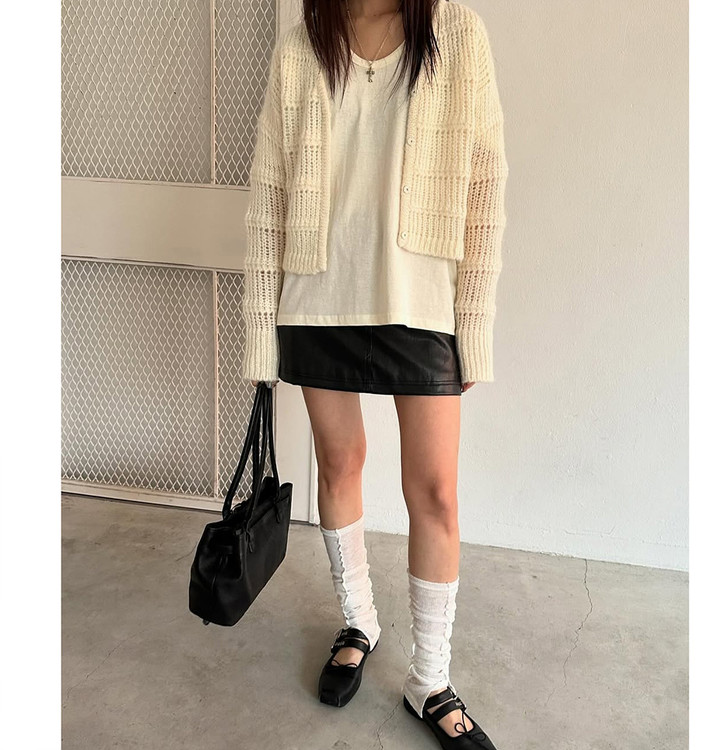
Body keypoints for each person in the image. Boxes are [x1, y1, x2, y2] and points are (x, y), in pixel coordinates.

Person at [243, 1, 507, 747]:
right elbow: (269, 192)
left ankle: (430, 678)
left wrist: (472, 327)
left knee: (436, 492)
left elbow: (485, 187)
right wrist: (260, 334)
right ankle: (359, 620)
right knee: (340, 463)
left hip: (419, 302)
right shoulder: (304, 44)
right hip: (317, 296)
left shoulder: (456, 33)